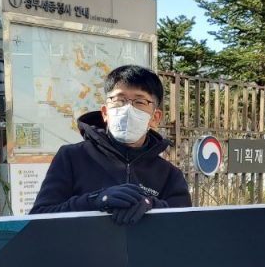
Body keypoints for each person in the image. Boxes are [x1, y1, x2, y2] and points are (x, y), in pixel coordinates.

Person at [29, 64, 191, 223]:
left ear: (155, 118)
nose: (127, 109)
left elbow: (184, 225)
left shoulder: (169, 175)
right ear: (105, 113)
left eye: (139, 102)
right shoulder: (71, 157)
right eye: (119, 100)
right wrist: (94, 200)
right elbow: (39, 217)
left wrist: (151, 205)